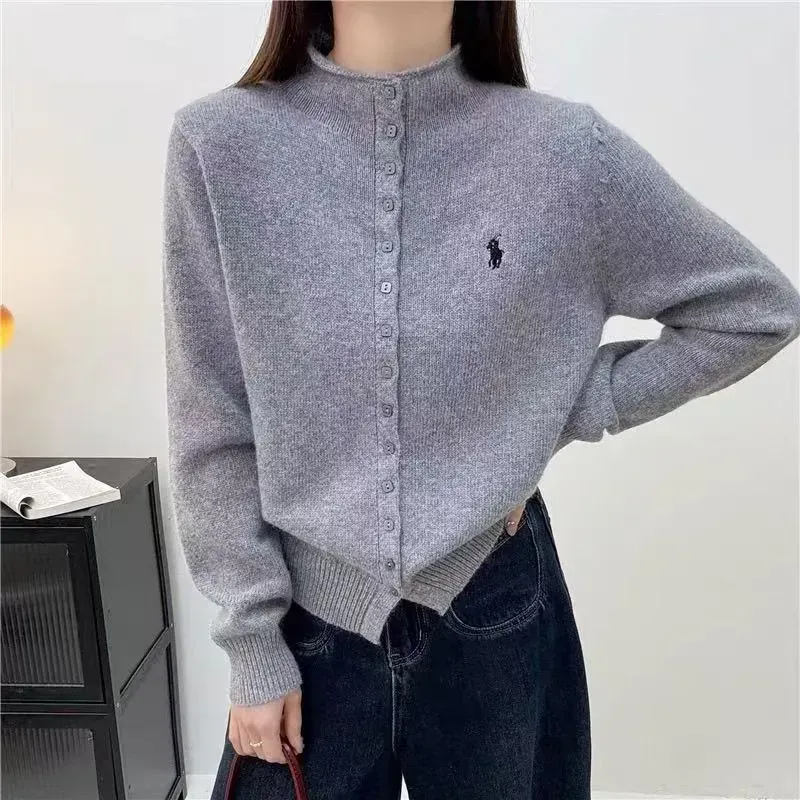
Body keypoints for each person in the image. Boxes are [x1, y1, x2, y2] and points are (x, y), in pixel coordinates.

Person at [160, 2, 800, 797]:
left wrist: (562, 409)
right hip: (303, 620)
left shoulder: (565, 151)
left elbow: (755, 309)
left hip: (496, 601)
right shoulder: (219, 146)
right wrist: (253, 643)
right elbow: (213, 420)